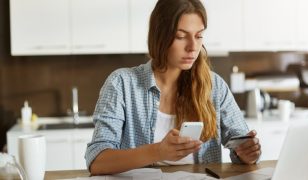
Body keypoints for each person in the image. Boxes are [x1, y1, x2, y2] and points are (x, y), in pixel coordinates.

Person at [85, 0, 261, 175]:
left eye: (199, 36)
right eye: (181, 36)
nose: (193, 47)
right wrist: (158, 151)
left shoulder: (214, 86)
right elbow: (97, 161)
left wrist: (248, 153)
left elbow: (241, 145)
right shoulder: (122, 83)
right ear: (160, 36)